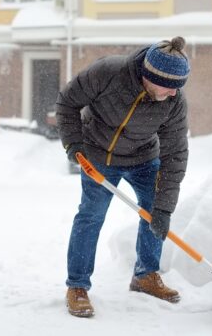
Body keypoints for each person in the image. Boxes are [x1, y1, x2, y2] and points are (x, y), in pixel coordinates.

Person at [56, 36, 191, 318]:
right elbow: (68, 103)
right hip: (98, 156)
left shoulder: (174, 102)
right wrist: (73, 143)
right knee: (91, 215)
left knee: (154, 212)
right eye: (170, 87)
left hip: (144, 157)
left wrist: (164, 209)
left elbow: (175, 154)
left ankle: (145, 275)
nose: (174, 94)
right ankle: (77, 286)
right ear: (150, 77)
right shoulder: (108, 72)